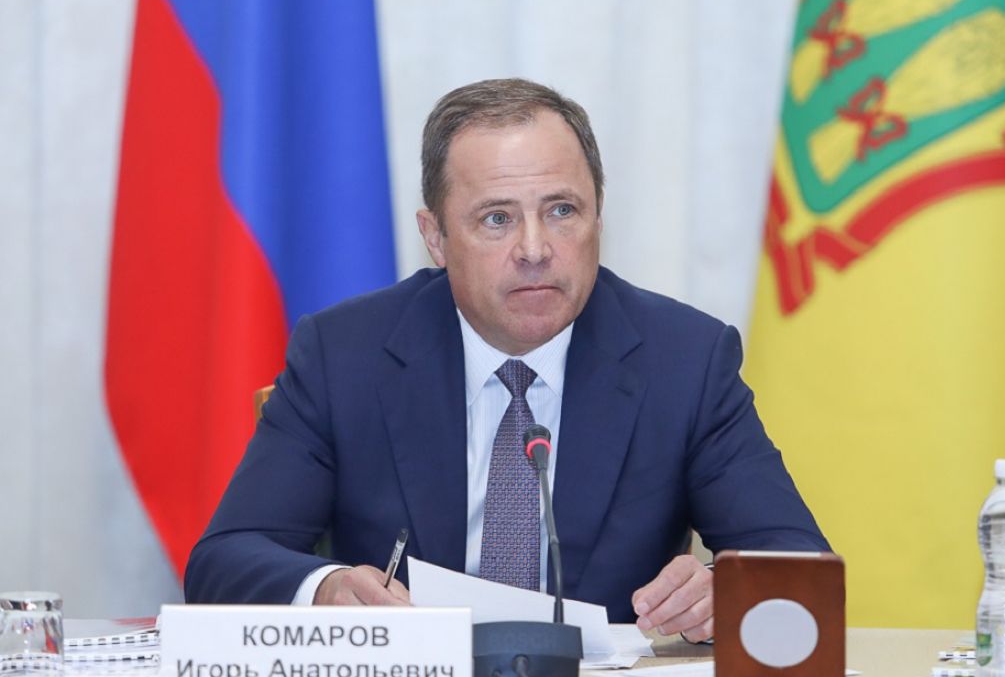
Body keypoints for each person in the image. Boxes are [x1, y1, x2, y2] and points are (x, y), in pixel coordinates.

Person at [184, 78, 828, 643]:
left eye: (562, 211)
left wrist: (728, 590)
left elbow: (801, 564)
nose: (535, 249)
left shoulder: (683, 360)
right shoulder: (345, 354)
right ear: (436, 237)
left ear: (598, 218)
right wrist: (325, 589)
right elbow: (225, 560)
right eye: (497, 219)